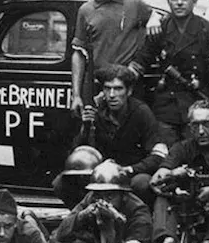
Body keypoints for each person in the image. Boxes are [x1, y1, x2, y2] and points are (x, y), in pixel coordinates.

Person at [130, 0, 209, 150]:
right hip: (166, 105)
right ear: (168, 1)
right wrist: (121, 78)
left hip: (197, 103)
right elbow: (140, 61)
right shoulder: (160, 28)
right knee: (165, 153)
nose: (179, 2)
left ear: (194, 1)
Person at [56, 64, 161, 206]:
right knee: (61, 182)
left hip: (130, 172)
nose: (112, 95)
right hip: (101, 175)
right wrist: (86, 127)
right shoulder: (96, 111)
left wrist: (130, 169)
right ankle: (83, 219)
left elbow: (157, 156)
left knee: (142, 183)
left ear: (129, 91)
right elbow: (77, 153)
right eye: (107, 88)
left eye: (118, 89)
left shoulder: (141, 112)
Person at [70, 0, 154, 119]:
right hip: (99, 87)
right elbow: (79, 53)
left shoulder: (135, 5)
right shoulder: (86, 10)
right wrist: (76, 95)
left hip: (130, 86)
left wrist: (154, 21)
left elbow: (158, 21)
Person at [150, 101, 209, 243]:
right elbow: (158, 177)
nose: (201, 131)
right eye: (195, 126)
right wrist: (171, 174)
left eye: (207, 124)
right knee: (163, 197)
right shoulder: (182, 147)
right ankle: (166, 241)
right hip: (192, 204)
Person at [50, 160, 152, 243]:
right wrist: (82, 216)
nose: (102, 200)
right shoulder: (91, 197)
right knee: (54, 241)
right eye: (98, 195)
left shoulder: (139, 212)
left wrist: (110, 230)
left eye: (109, 196)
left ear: (123, 195)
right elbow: (61, 233)